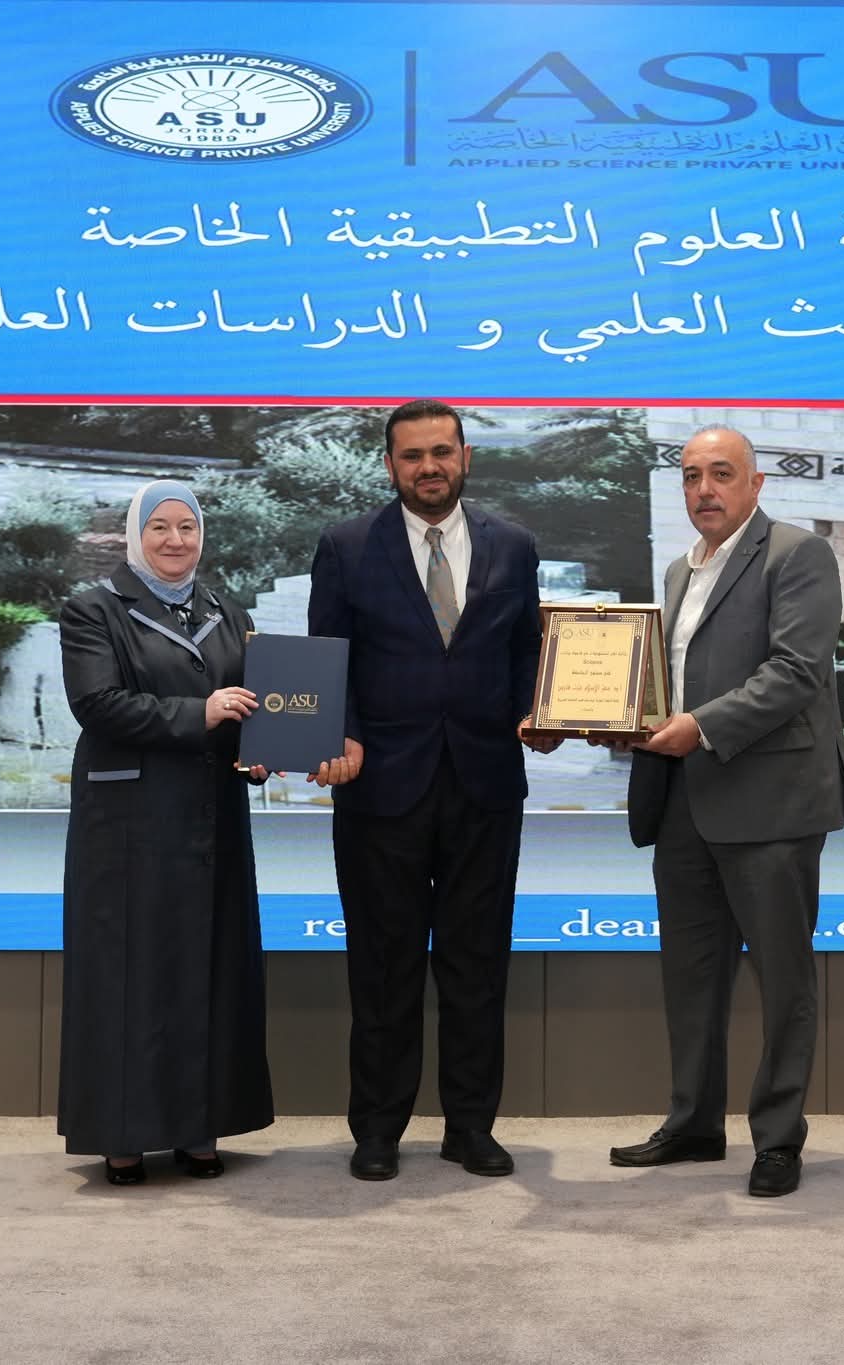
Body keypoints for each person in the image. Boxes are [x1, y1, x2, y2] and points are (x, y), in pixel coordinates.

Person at [606, 425, 844, 1198]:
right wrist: (609, 720)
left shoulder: (797, 554)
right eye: (691, 475)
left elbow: (796, 670)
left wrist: (701, 725)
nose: (704, 489)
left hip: (771, 802)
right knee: (690, 976)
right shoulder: (679, 570)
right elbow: (668, 684)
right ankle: (693, 1121)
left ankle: (778, 1138)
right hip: (684, 799)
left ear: (755, 483)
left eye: (721, 473)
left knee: (783, 981)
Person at [306, 399, 546, 1182]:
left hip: (484, 784)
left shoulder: (515, 545)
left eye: (442, 451)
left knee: (478, 965)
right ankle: (378, 1130)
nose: (429, 467)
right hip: (379, 787)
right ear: (390, 466)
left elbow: (526, 652)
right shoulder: (346, 545)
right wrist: (336, 733)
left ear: (465, 457)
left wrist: (537, 713)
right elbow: (327, 656)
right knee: (384, 967)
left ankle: (471, 1126)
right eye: (412, 456)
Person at [56, 480, 275, 1186]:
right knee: (131, 974)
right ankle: (122, 1136)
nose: (176, 540)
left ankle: (198, 1128)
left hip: (212, 817)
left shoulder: (225, 610)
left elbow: (253, 707)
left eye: (188, 527)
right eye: (161, 527)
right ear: (135, 534)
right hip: (129, 826)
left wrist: (262, 748)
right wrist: (200, 712)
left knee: (209, 967)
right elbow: (98, 702)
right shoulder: (93, 608)